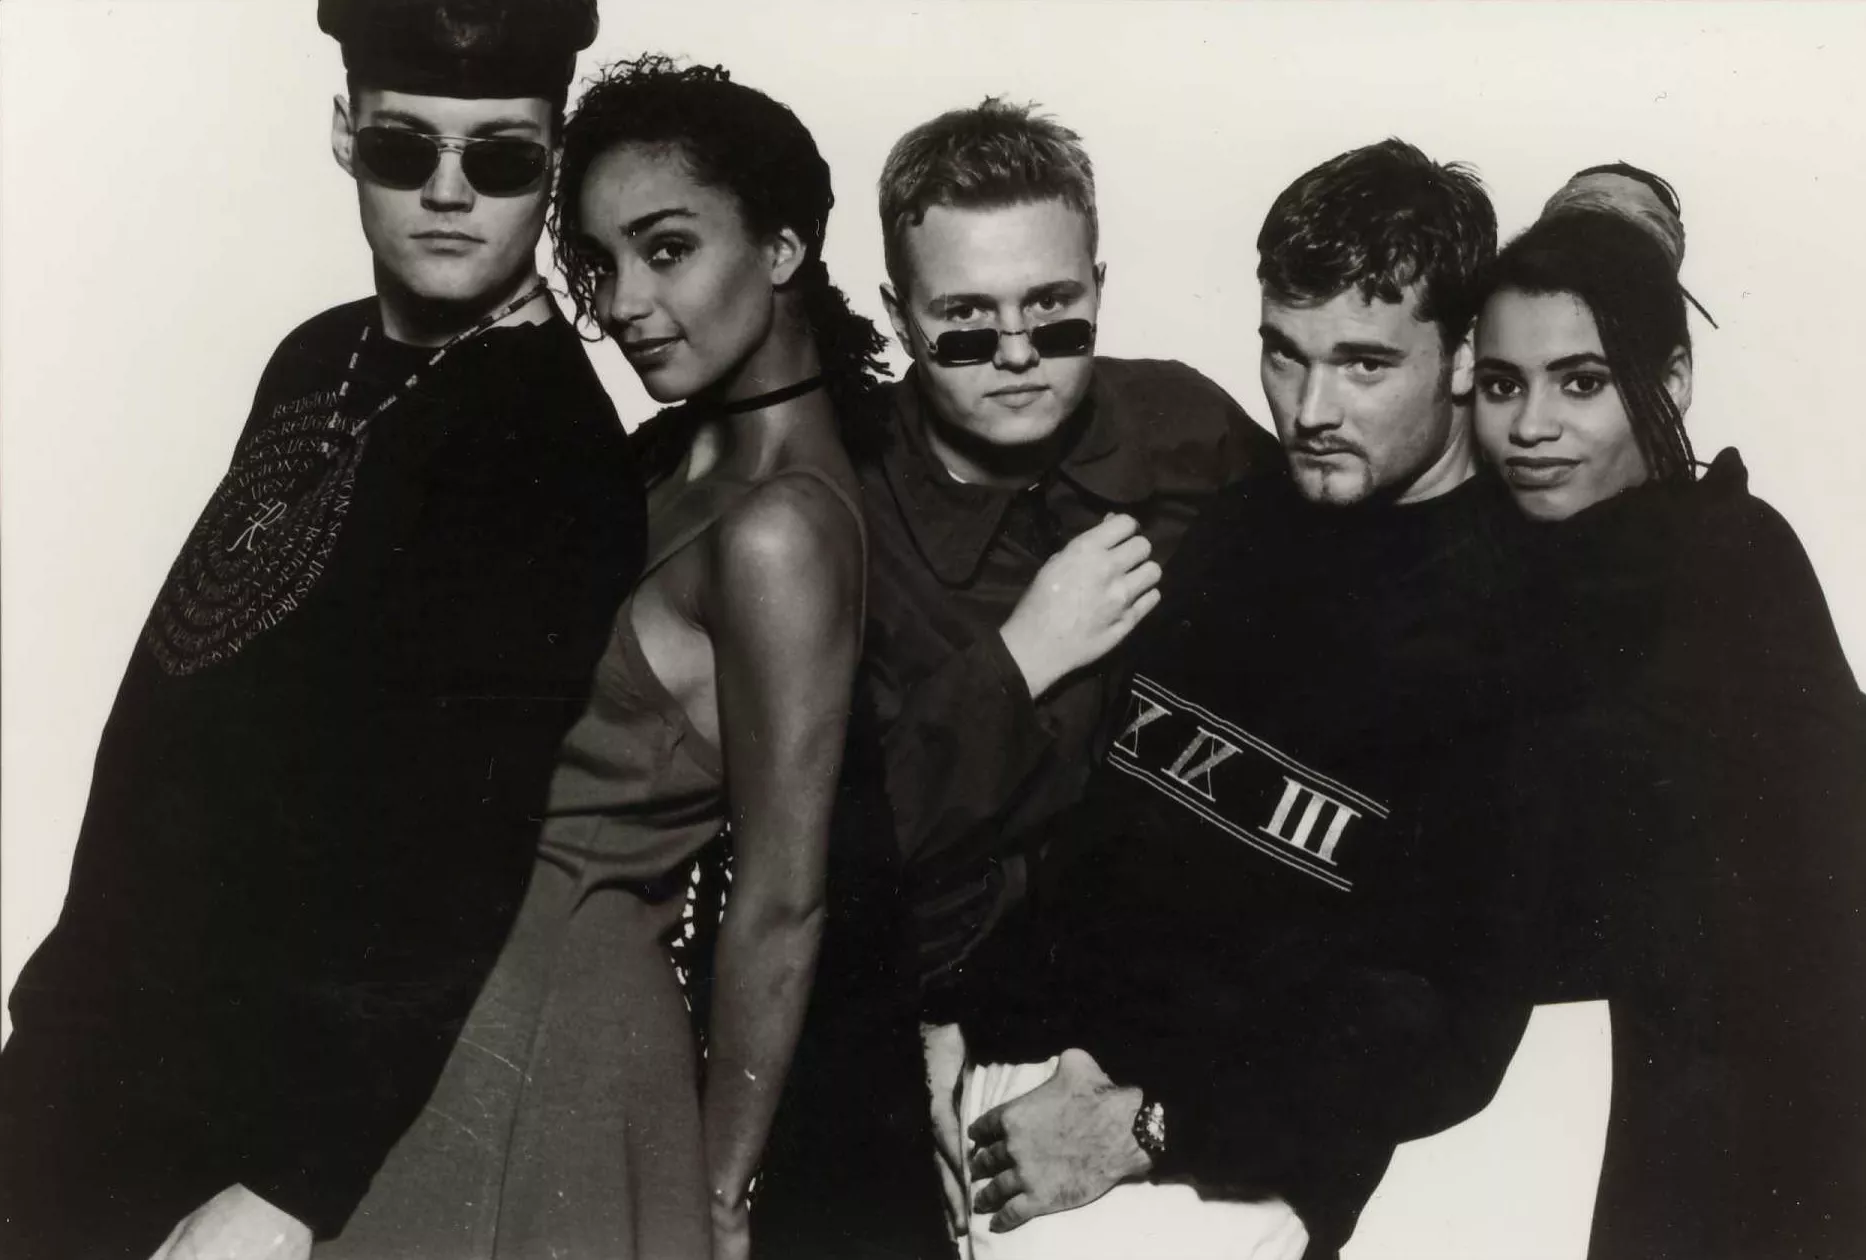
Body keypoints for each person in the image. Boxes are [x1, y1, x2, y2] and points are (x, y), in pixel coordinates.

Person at [0, 3, 643, 1258]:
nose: (449, 194)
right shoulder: (317, 357)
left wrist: (294, 1185)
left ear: (553, 163)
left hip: (245, 1128)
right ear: (345, 134)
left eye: (501, 158)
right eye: (405, 148)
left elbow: (458, 851)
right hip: (91, 1054)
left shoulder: (545, 450)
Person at [318, 55, 881, 1260]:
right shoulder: (665, 463)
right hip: (459, 1005)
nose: (625, 302)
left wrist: (720, 1195)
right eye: (600, 262)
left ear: (783, 248)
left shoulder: (783, 531)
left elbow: (783, 898)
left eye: (668, 250)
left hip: (551, 1041)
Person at [947, 139, 1540, 1260]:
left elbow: (1443, 1033)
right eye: (1284, 354)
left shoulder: (1519, 627)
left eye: (1364, 365)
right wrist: (962, 1025)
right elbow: (1107, 839)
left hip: (1198, 1176)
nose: (1311, 408)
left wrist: (1147, 1128)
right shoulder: (1239, 520)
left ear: (1464, 356)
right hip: (1017, 1098)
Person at [849, 95, 1281, 1241]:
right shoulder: (840, 507)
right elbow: (832, 844)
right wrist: (1021, 658)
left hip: (1186, 1044)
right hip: (948, 1045)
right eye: (964, 323)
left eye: (1054, 312)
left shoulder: (1187, 429)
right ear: (897, 316)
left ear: (1098, 285)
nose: (1017, 355)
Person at [1470, 208, 1866, 1259]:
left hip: (1791, 1145)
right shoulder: (1624, 555)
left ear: (1674, 380)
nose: (1532, 426)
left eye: (1581, 382)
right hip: (1699, 1118)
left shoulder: (1716, 565)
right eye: (1502, 385)